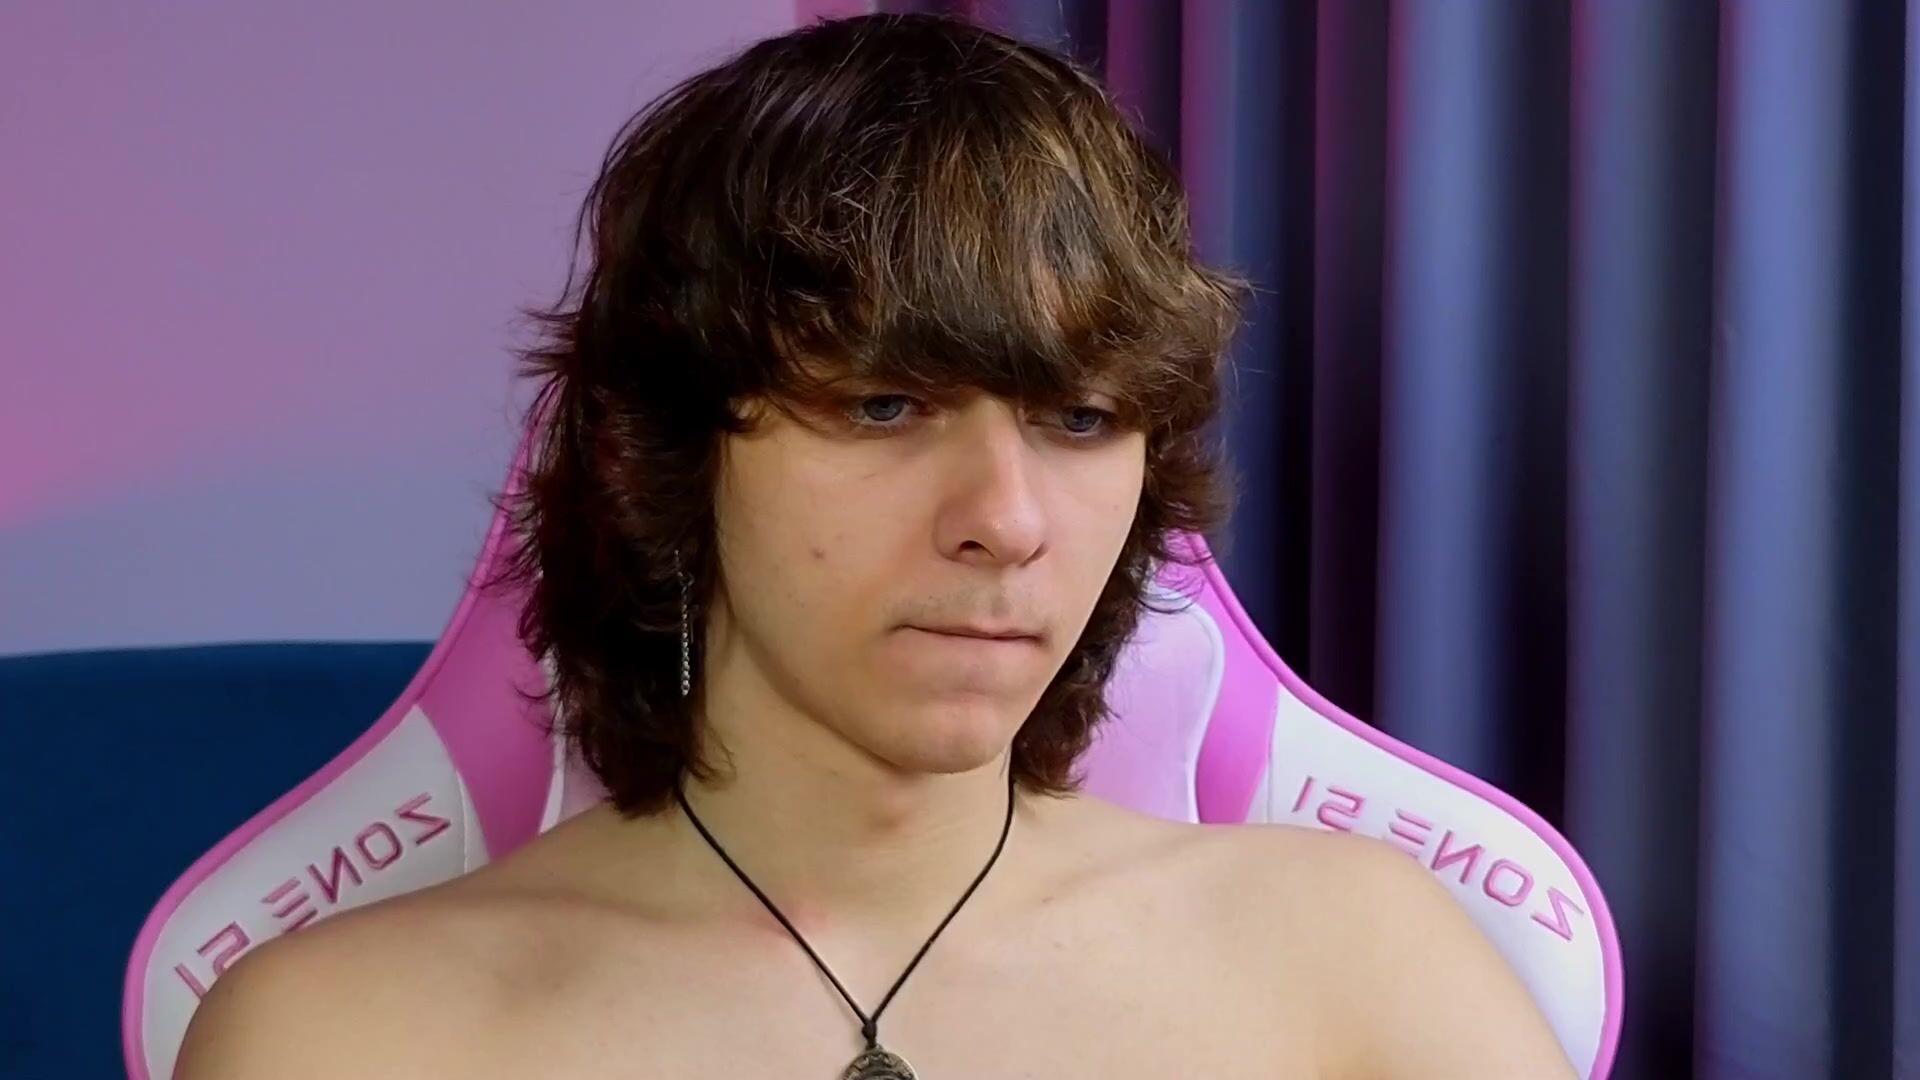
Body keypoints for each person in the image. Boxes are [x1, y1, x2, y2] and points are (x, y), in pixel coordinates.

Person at [175, 12, 1575, 1079]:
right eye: (885, 406)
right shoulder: (353, 1032)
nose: (1007, 521)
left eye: (1081, 419)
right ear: (659, 451)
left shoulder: (1357, 962)